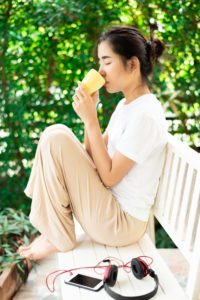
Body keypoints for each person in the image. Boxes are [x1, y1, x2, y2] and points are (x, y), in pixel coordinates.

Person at [18, 26, 167, 260]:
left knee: (56, 135)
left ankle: (57, 236)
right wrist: (92, 111)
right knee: (55, 133)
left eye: (107, 62)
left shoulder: (146, 115)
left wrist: (90, 120)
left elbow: (108, 177)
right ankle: (53, 232)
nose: (100, 71)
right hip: (108, 207)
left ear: (132, 64)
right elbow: (91, 155)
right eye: (100, 62)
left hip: (121, 224)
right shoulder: (126, 106)